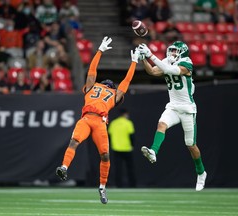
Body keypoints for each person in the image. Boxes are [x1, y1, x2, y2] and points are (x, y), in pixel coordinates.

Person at [55, 36, 140, 204]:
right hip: (99, 121)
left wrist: (99, 51)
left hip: (87, 119)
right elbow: (126, 81)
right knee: (105, 156)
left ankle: (64, 167)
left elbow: (91, 72)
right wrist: (134, 63)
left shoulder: (92, 87)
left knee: (74, 142)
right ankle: (102, 186)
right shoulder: (114, 94)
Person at [137, 41, 207, 191]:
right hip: (173, 107)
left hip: (188, 109)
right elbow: (153, 72)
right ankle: (153, 152)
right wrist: (143, 58)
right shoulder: (167, 61)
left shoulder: (187, 63)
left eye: (175, 51)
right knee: (161, 124)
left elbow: (170, 70)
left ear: (182, 52)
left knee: (190, 145)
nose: (172, 54)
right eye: (172, 51)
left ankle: (201, 172)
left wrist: (150, 54)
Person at [108, 108, 136, 188]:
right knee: (130, 168)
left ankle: (118, 184)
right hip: (127, 148)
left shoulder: (113, 123)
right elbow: (132, 136)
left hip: (116, 148)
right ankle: (132, 184)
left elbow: (109, 136)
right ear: (125, 114)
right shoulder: (128, 123)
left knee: (118, 168)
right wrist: (132, 145)